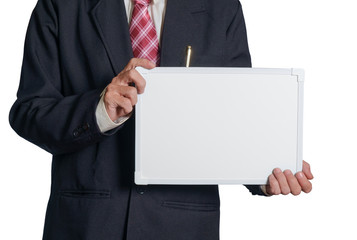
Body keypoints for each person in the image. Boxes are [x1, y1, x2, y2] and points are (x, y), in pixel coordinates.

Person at [9, 0, 313, 239]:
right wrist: (99, 110)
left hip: (184, 225)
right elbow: (28, 112)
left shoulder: (222, 8)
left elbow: (233, 119)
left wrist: (266, 172)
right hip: (87, 224)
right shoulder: (60, 5)